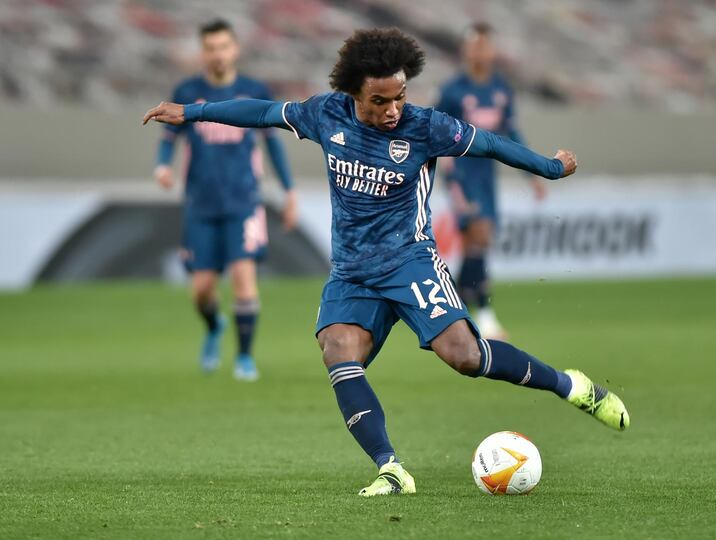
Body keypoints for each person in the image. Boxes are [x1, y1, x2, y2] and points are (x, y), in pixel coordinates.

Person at [144, 27, 629, 496]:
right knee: (337, 351)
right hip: (353, 272)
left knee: (466, 357)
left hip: (410, 261)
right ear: (354, 93)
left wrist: (548, 167)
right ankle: (391, 469)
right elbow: (263, 113)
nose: (394, 108)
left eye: (399, 96)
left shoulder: (426, 125)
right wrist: (192, 111)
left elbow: (491, 143)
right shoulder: (325, 114)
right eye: (380, 101)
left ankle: (572, 387)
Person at [154, 19, 298, 382]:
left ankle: (245, 358)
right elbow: (170, 136)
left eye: (223, 46)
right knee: (201, 290)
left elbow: (273, 143)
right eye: (210, 47)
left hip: (244, 200)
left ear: (235, 49)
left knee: (244, 277)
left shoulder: (252, 90)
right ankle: (214, 325)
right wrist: (162, 167)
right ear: (202, 52)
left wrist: (289, 190)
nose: (217, 53)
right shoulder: (188, 89)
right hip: (201, 202)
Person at [436, 22, 547, 339]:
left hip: (486, 175)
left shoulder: (501, 89)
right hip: (459, 173)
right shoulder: (452, 91)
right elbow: (433, 130)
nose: (480, 52)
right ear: (465, 50)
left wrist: (532, 173)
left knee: (475, 244)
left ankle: (451, 309)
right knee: (480, 236)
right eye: (475, 46)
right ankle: (485, 317)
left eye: (485, 46)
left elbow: (512, 134)